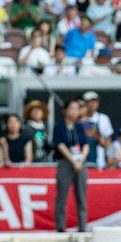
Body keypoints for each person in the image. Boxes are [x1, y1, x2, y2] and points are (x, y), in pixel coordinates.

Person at [53, 97, 92, 233]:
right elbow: (60, 145)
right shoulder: (59, 126)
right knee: (62, 196)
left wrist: (80, 159)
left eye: (77, 109)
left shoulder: (80, 126)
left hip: (80, 163)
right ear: (65, 110)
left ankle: (82, 229)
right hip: (65, 162)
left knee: (81, 196)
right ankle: (60, 228)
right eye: (72, 108)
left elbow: (86, 145)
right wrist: (73, 161)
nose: (74, 111)